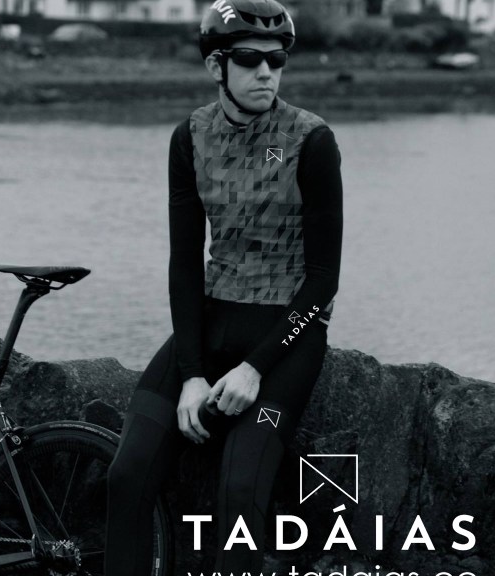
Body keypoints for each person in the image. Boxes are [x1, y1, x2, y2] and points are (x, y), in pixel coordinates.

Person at [105, 0, 344, 574]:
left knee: (239, 494)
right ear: (216, 66)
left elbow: (324, 280)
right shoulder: (190, 137)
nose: (266, 72)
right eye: (250, 59)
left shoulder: (311, 140)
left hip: (286, 335)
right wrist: (192, 374)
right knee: (126, 476)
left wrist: (254, 368)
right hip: (212, 321)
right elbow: (185, 263)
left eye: (277, 60)